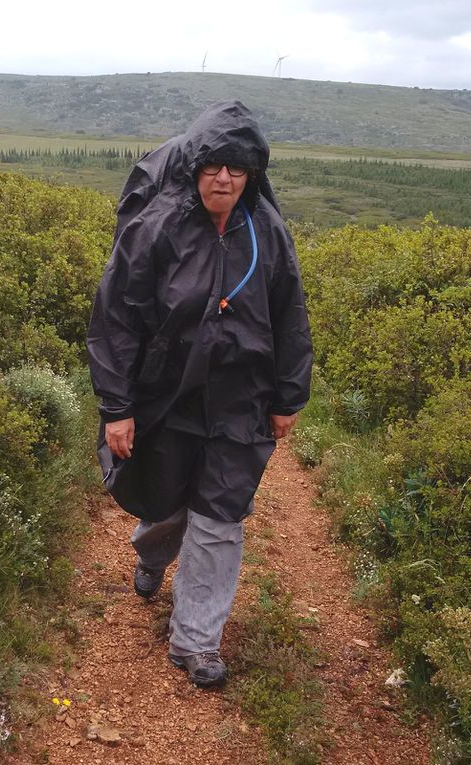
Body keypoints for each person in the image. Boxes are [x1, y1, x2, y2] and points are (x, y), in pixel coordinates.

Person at [86, 100, 313, 687]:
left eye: (236, 169)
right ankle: (152, 554)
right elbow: (117, 319)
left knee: (219, 515)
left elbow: (290, 314)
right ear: (194, 167)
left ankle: (196, 643)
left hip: (241, 403)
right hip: (168, 397)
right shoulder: (155, 228)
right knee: (167, 502)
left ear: (252, 175)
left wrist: (288, 396)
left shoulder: (269, 234)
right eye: (213, 165)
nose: (223, 178)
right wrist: (118, 407)